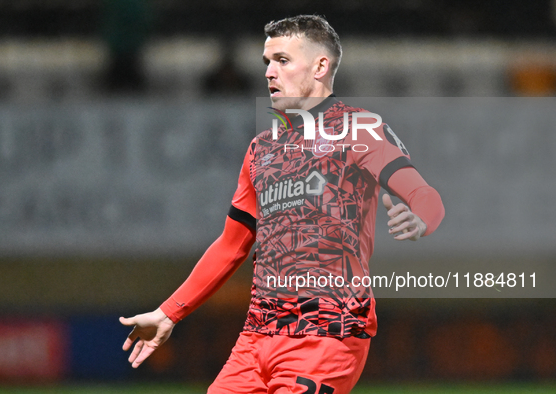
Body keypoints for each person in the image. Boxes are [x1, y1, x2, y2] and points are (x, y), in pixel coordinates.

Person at [120, 15, 445, 393]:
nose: (270, 72)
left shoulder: (359, 129)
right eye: (267, 63)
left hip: (327, 335)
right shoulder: (262, 149)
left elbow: (424, 195)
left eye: (282, 60)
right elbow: (232, 244)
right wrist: (169, 312)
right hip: (255, 340)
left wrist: (421, 220)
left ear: (320, 66)